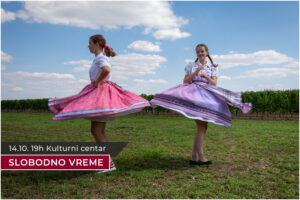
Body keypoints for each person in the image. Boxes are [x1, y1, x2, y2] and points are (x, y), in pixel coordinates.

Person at [48, 34, 151, 173]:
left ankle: (108, 164)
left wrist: (99, 82)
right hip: (100, 95)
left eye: (90, 43)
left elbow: (107, 70)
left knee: (97, 131)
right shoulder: (98, 58)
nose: (88, 46)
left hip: (101, 96)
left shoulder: (101, 58)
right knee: (97, 130)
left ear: (97, 44)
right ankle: (106, 162)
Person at [150, 44, 252, 166]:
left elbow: (214, 83)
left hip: (207, 95)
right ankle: (201, 157)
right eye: (198, 52)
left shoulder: (213, 67)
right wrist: (196, 72)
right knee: (202, 128)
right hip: (194, 95)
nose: (200, 54)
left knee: (203, 128)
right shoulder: (192, 65)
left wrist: (206, 76)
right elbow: (185, 81)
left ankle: (194, 157)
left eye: (202, 51)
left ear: (207, 52)